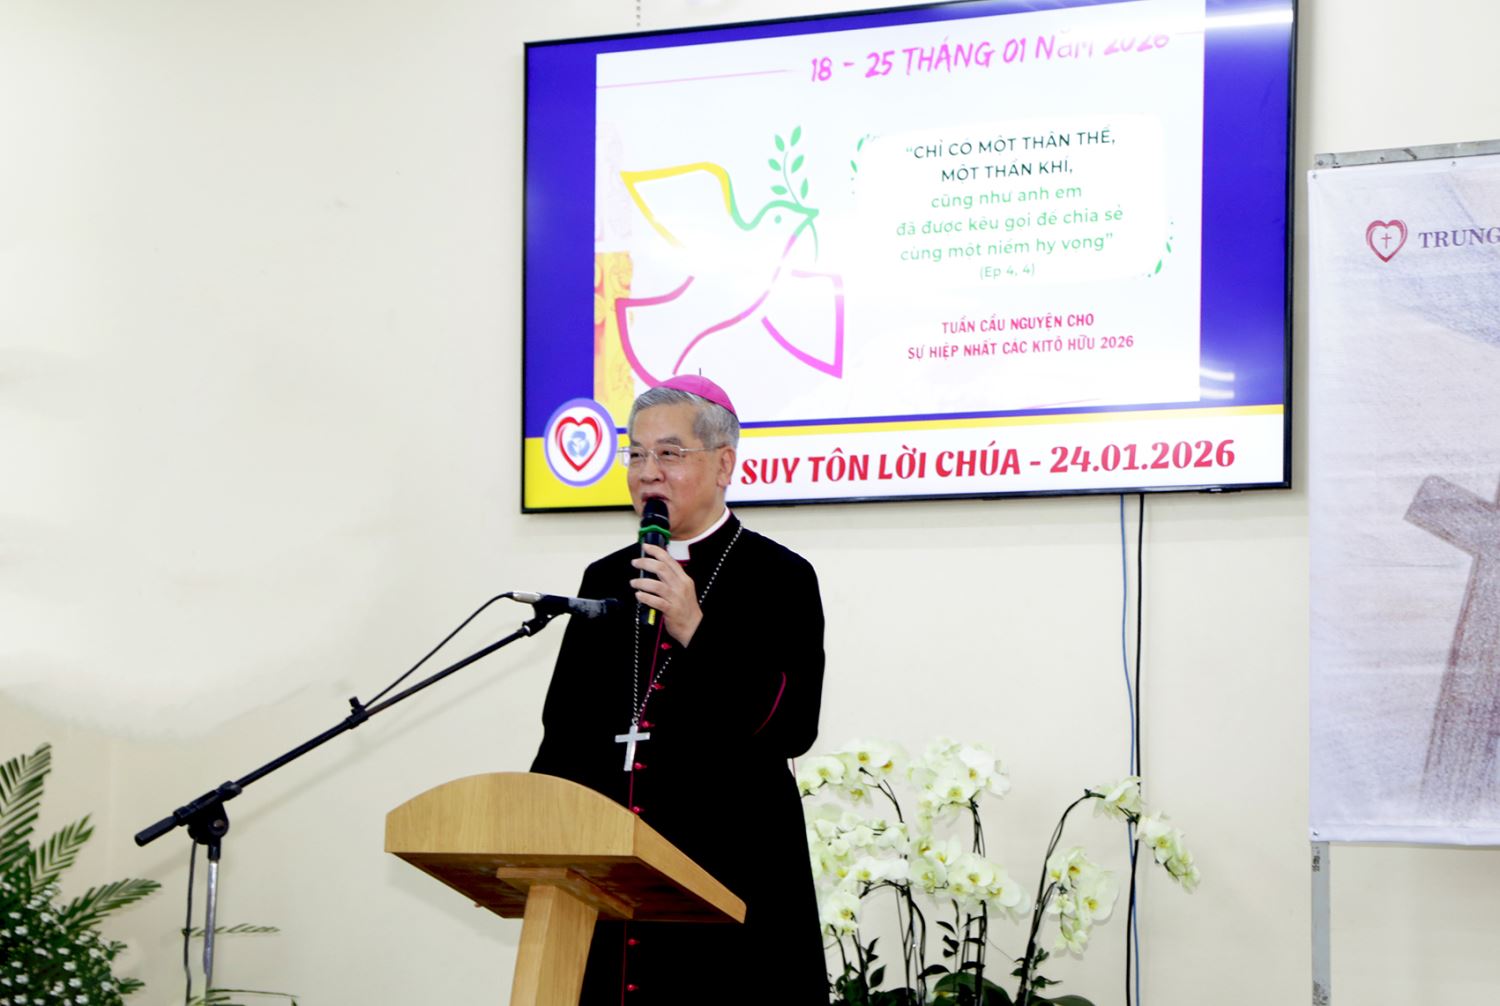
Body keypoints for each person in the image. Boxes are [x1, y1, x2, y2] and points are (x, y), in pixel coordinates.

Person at [531, 375, 827, 1004]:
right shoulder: (605, 577)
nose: (647, 472)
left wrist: (695, 625)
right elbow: (564, 734)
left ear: (723, 464)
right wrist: (534, 835)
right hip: (609, 888)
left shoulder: (780, 577)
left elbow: (794, 725)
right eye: (636, 454)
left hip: (732, 879)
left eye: (669, 453)